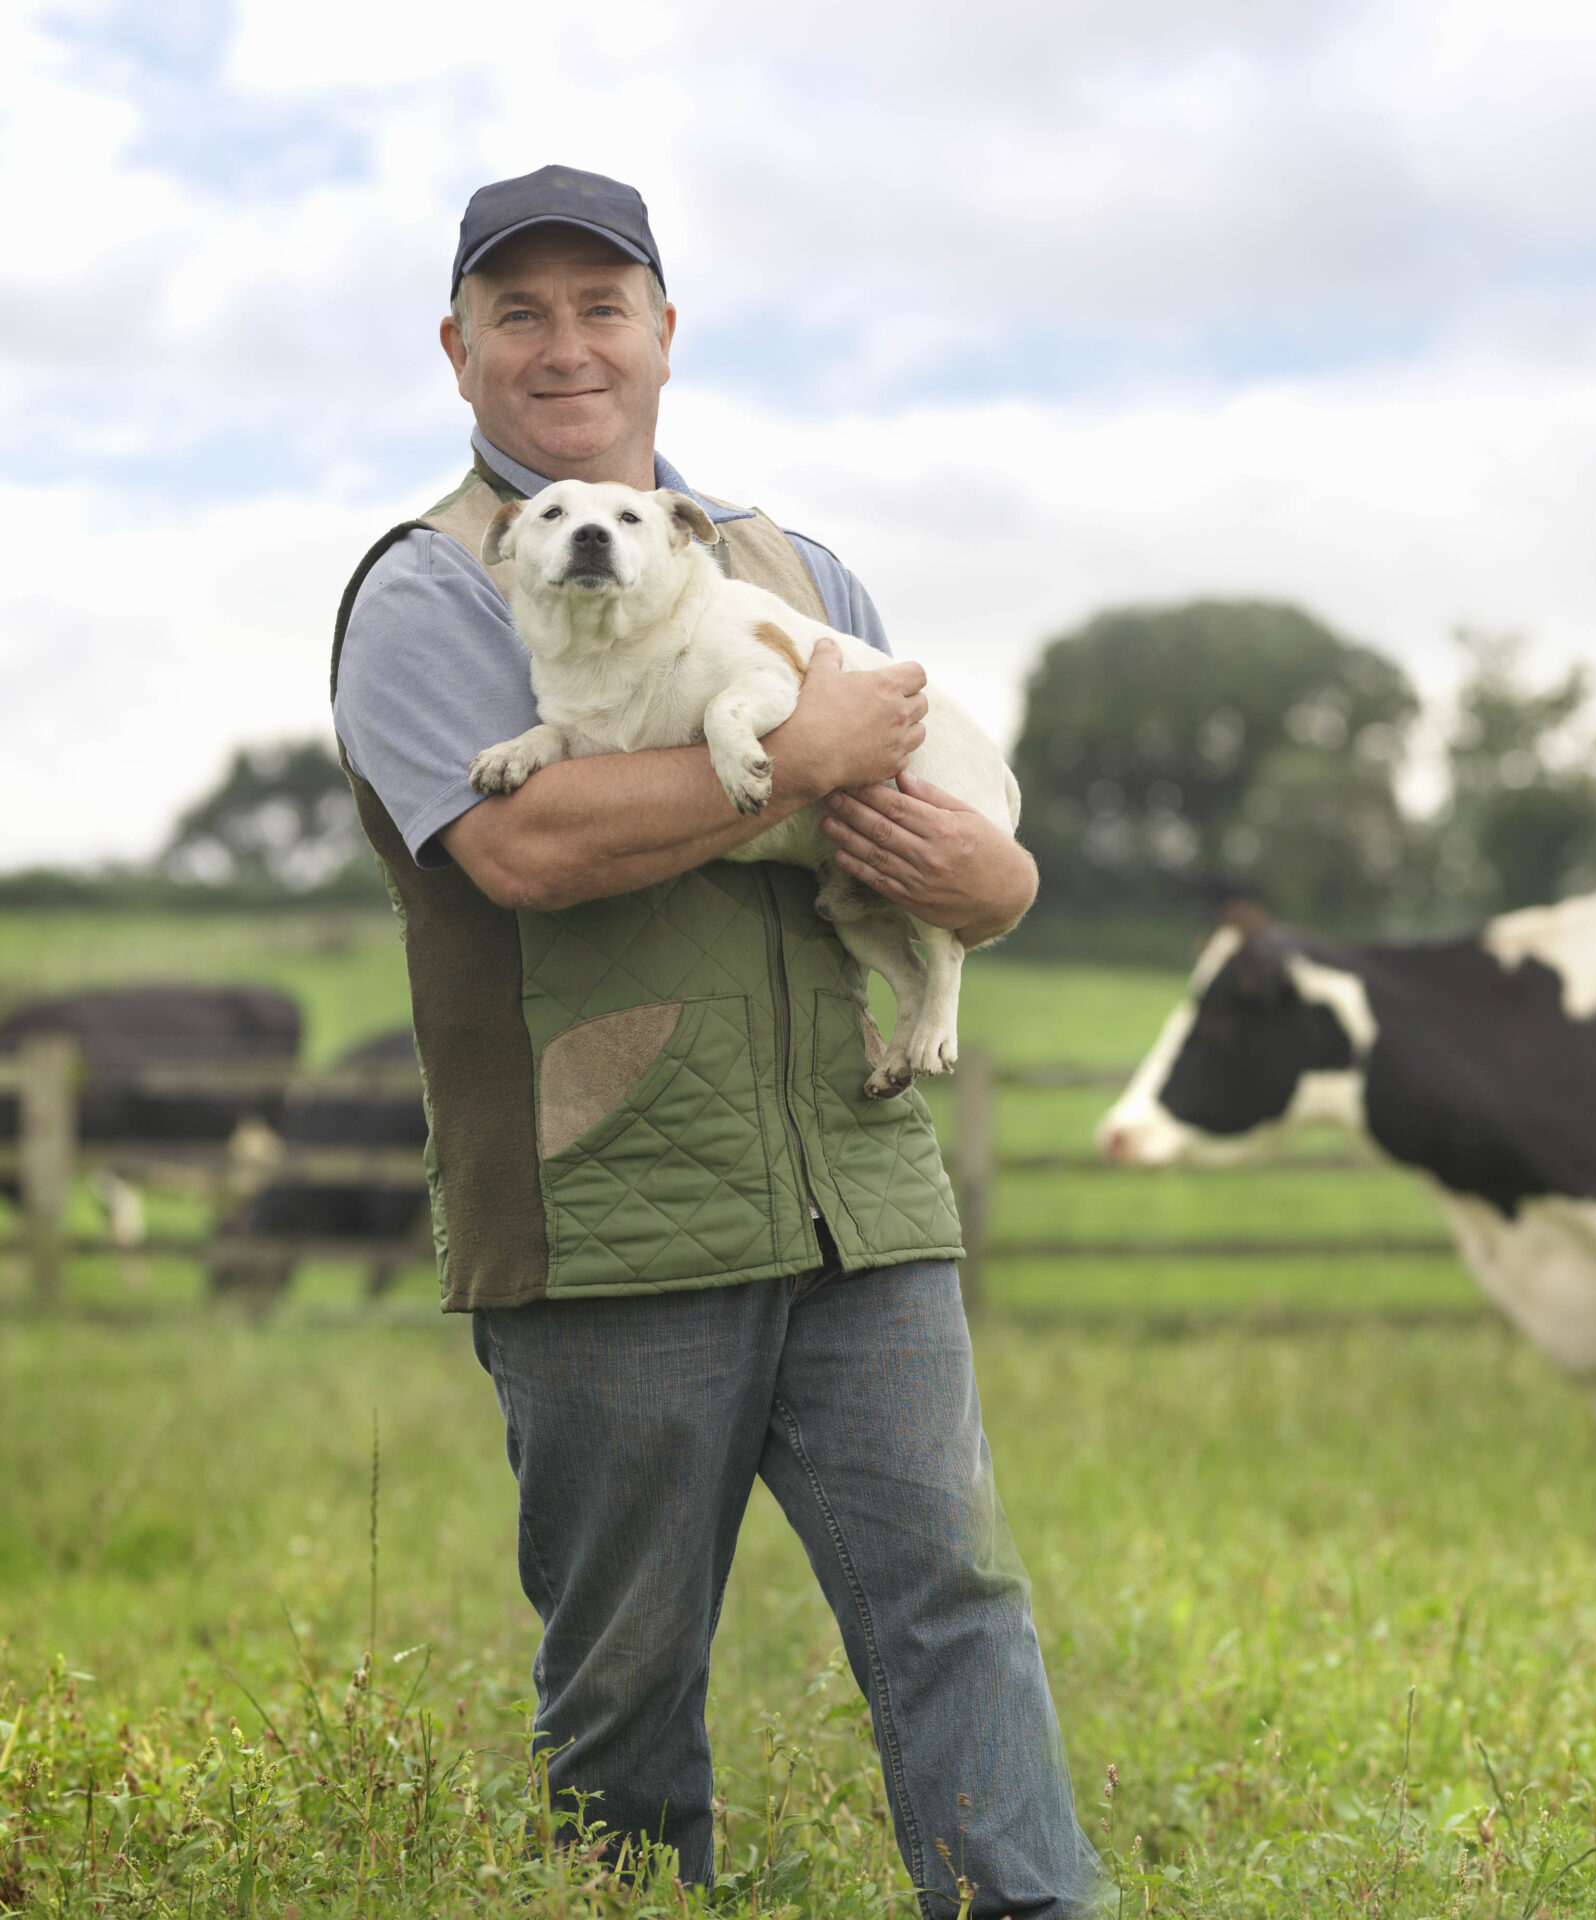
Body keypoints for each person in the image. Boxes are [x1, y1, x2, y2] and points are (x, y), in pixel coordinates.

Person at [330, 164, 1098, 1916]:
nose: (565, 343)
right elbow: (524, 851)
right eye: (517, 312)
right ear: (457, 352)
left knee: (956, 1603)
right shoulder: (428, 594)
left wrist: (998, 882)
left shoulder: (800, 568)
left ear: (666, 331)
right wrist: (797, 760)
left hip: (861, 1189)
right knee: (625, 1682)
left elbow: (933, 840)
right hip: (610, 1207)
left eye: (602, 304)